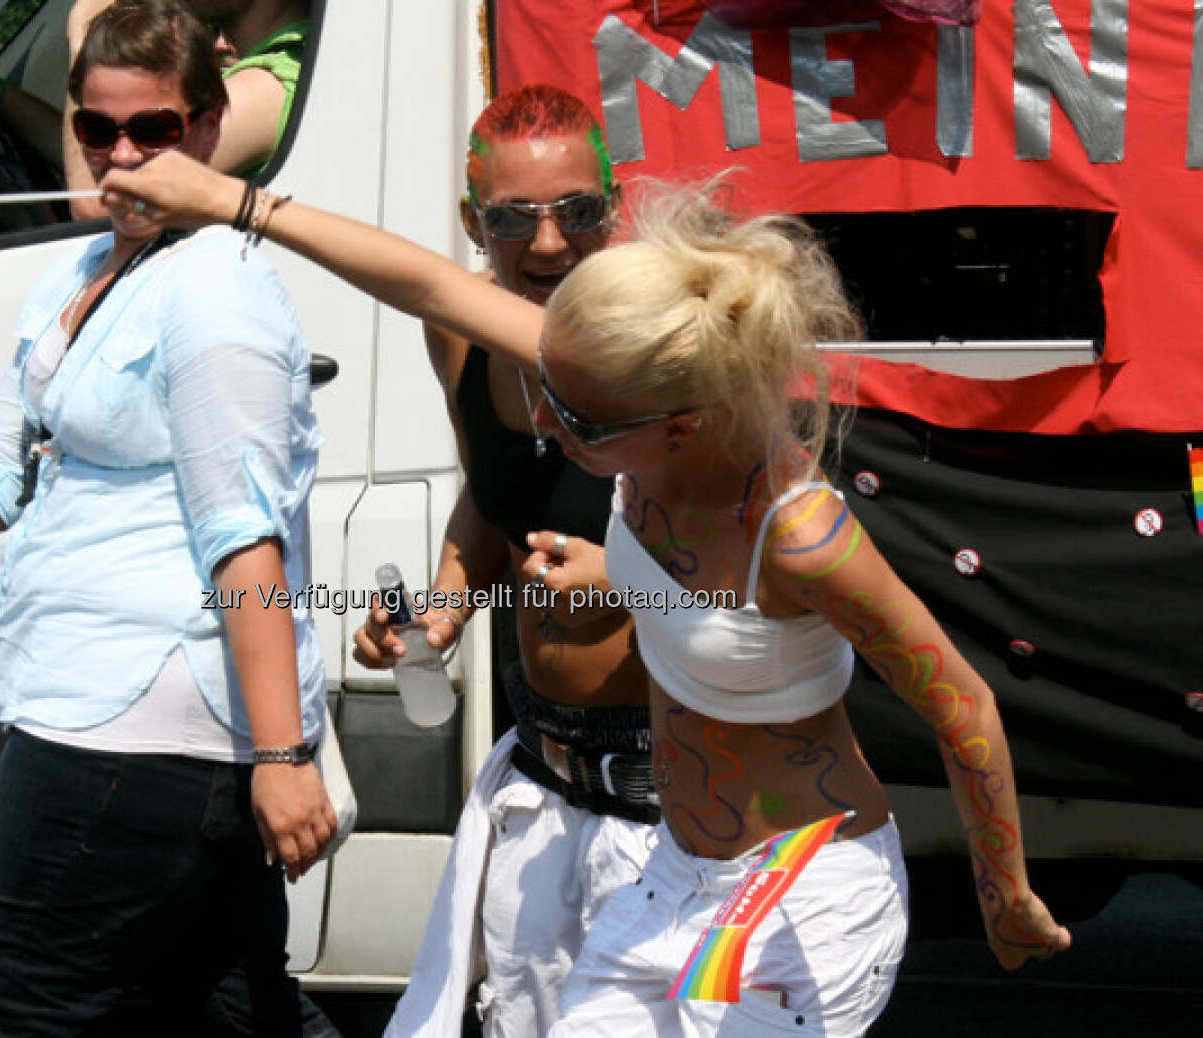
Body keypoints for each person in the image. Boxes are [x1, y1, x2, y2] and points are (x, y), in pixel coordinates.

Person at [97, 148, 1074, 1033]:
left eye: (578, 420)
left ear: (680, 425)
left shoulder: (800, 533)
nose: (552, 430)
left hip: (797, 886)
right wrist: (232, 200)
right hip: (674, 877)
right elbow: (428, 282)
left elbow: (962, 703)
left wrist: (1006, 891)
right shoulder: (631, 411)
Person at [0, 3, 338, 1034]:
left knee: (14, 1008)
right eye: (97, 129)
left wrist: (282, 757)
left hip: (132, 728)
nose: (122, 156)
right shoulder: (87, 271)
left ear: (212, 131)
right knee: (230, 1010)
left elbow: (245, 538)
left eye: (154, 131)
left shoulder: (212, 295)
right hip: (118, 719)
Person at [347, 86, 655, 1036]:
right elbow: (493, 494)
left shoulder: (664, 334)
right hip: (542, 780)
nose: (552, 243)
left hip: (674, 800)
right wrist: (441, 613)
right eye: (515, 218)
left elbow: (762, 568)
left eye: (579, 212)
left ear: (616, 206)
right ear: (473, 220)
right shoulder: (460, 331)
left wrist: (634, 581)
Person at [65, 0, 309, 219]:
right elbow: (100, 153)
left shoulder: (275, 81)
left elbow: (98, 204)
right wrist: (26, 111)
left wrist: (85, 43)